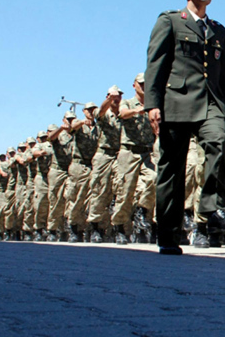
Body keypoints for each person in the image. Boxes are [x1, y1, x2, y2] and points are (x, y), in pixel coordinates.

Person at [145, 0, 225, 255]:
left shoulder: (218, 30)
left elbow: (223, 75)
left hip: (211, 103)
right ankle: (168, 233)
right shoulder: (170, 21)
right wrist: (152, 104)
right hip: (176, 102)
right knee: (172, 169)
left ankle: (214, 209)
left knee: (218, 142)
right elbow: (156, 64)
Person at [113, 74, 158, 245]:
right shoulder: (128, 103)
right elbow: (122, 113)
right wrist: (137, 111)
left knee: (154, 179)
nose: (144, 86)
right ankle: (119, 227)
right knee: (125, 191)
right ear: (134, 85)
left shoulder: (154, 104)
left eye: (147, 83)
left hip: (147, 152)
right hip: (129, 152)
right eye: (141, 84)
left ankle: (142, 210)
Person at [86, 86, 123, 242]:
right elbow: (99, 112)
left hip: (120, 154)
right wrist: (108, 100)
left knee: (122, 189)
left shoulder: (124, 113)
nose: (116, 98)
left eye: (119, 95)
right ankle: (95, 227)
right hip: (104, 155)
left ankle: (119, 228)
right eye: (113, 96)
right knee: (100, 190)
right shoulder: (103, 113)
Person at [65, 102, 99, 242]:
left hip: (94, 165)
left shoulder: (99, 127)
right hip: (79, 166)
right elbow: (72, 127)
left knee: (95, 198)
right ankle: (74, 229)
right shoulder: (79, 125)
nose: (91, 112)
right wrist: (81, 123)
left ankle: (94, 229)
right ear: (84, 111)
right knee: (76, 198)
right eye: (88, 110)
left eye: (93, 109)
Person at [46, 117, 74, 241]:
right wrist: (61, 129)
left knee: (71, 198)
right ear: (64, 120)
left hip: (71, 170)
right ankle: (52, 229)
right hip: (57, 171)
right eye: (68, 119)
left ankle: (68, 229)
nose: (70, 121)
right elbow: (50, 138)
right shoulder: (59, 134)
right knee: (56, 201)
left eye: (73, 119)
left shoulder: (77, 133)